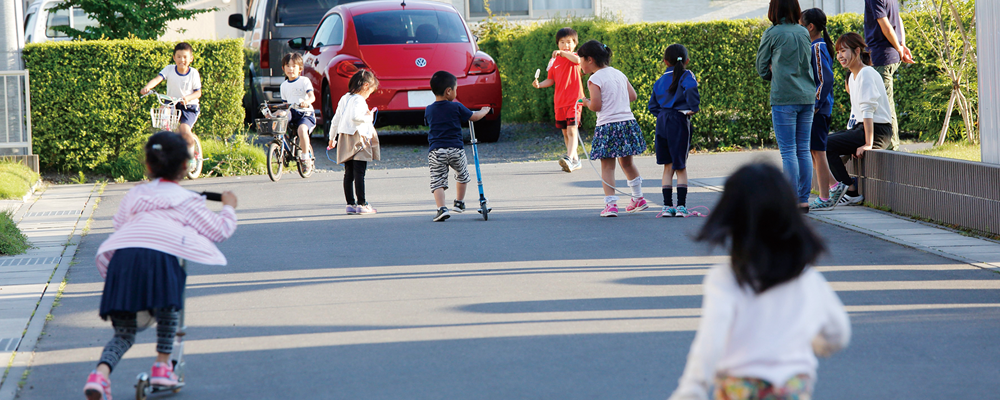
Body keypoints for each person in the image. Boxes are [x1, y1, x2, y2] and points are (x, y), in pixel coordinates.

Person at [668, 162, 850, 400]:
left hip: (740, 390)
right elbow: (837, 334)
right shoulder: (805, 276)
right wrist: (814, 343)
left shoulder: (727, 278)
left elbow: (710, 343)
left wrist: (691, 390)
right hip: (791, 389)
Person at [83, 131, 238, 400]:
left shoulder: (136, 194)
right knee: (169, 310)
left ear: (148, 164)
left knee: (124, 333)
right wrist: (229, 207)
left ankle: (100, 376)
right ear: (185, 166)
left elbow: (120, 224)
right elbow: (220, 231)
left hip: (123, 260)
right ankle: (162, 367)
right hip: (159, 259)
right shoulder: (189, 200)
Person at [756, 0, 815, 213]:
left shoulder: (772, 34)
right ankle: (803, 199)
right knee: (803, 150)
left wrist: (774, 72)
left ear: (774, 9)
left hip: (784, 98)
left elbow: (762, 68)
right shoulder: (803, 32)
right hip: (807, 96)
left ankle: (789, 200)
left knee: (788, 152)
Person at [578, 40, 647, 217]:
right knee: (627, 163)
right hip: (626, 123)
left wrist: (585, 102)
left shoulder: (594, 79)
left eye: (581, 60)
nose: (580, 64)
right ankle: (638, 198)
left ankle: (611, 205)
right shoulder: (618, 73)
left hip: (608, 125)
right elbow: (633, 96)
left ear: (590, 59)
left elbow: (596, 106)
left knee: (608, 167)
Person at [826, 33, 894, 206]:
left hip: (877, 131)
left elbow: (868, 110)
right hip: (861, 128)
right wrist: (848, 141)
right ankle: (848, 190)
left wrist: (868, 144)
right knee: (823, 142)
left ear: (857, 51)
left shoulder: (866, 73)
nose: (840, 56)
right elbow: (856, 114)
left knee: (825, 144)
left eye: (844, 51)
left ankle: (850, 191)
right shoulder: (854, 76)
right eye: (838, 52)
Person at [424, 71, 491, 222]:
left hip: (436, 151)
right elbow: (473, 117)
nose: (456, 92)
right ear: (449, 91)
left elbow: (428, 122)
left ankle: (441, 208)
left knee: (437, 180)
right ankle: (459, 203)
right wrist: (483, 111)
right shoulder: (456, 107)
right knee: (462, 174)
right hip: (455, 149)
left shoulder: (429, 109)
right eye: (456, 89)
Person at [801, 8, 849, 212]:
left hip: (818, 109)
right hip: (818, 108)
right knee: (814, 151)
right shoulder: (816, 46)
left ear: (810, 27)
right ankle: (834, 186)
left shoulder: (817, 47)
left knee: (818, 152)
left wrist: (816, 103)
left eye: (801, 24)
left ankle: (825, 197)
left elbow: (825, 79)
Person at [648, 44, 700, 218]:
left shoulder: (659, 80)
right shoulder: (687, 75)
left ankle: (667, 206)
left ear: (665, 62)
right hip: (678, 120)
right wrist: (693, 107)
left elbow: (652, 106)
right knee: (681, 166)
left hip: (662, 121)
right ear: (687, 61)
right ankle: (681, 207)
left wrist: (663, 114)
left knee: (667, 165)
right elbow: (692, 88)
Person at [139, 42, 203, 171]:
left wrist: (187, 98)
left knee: (185, 130)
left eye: (185, 57)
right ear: (174, 58)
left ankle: (191, 157)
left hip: (189, 106)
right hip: (172, 102)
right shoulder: (169, 69)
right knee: (164, 111)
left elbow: (198, 92)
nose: (182, 60)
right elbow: (158, 79)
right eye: (178, 57)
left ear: (191, 59)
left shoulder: (193, 73)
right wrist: (148, 87)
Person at [532, 27, 585, 172]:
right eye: (562, 42)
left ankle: (568, 158)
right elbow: (550, 80)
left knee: (572, 130)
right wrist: (539, 85)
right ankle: (574, 160)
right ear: (557, 44)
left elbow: (578, 60)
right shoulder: (553, 60)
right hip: (560, 102)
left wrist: (564, 53)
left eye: (569, 42)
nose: (566, 45)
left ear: (575, 44)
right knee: (565, 133)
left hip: (574, 100)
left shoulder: (575, 56)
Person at [329, 69, 381, 215]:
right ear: (365, 86)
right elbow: (356, 117)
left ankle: (350, 204)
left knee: (349, 173)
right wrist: (369, 116)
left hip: (345, 137)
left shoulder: (345, 98)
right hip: (358, 138)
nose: (369, 95)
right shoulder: (359, 100)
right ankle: (362, 204)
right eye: (370, 91)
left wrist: (332, 138)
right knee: (360, 172)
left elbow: (336, 119)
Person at [865, 0, 914, 151]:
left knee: (885, 104)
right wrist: (901, 45)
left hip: (882, 55)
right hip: (889, 54)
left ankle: (892, 146)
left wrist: (900, 48)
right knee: (885, 102)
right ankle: (890, 145)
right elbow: (898, 20)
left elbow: (885, 25)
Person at [279, 53, 317, 170]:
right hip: (292, 112)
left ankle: (305, 157)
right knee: (279, 118)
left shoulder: (304, 81)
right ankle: (279, 145)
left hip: (305, 113)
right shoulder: (283, 85)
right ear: (283, 68)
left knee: (302, 130)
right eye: (287, 66)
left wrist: (307, 101)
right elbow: (285, 105)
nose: (290, 69)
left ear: (300, 68)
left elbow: (312, 96)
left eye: (294, 66)